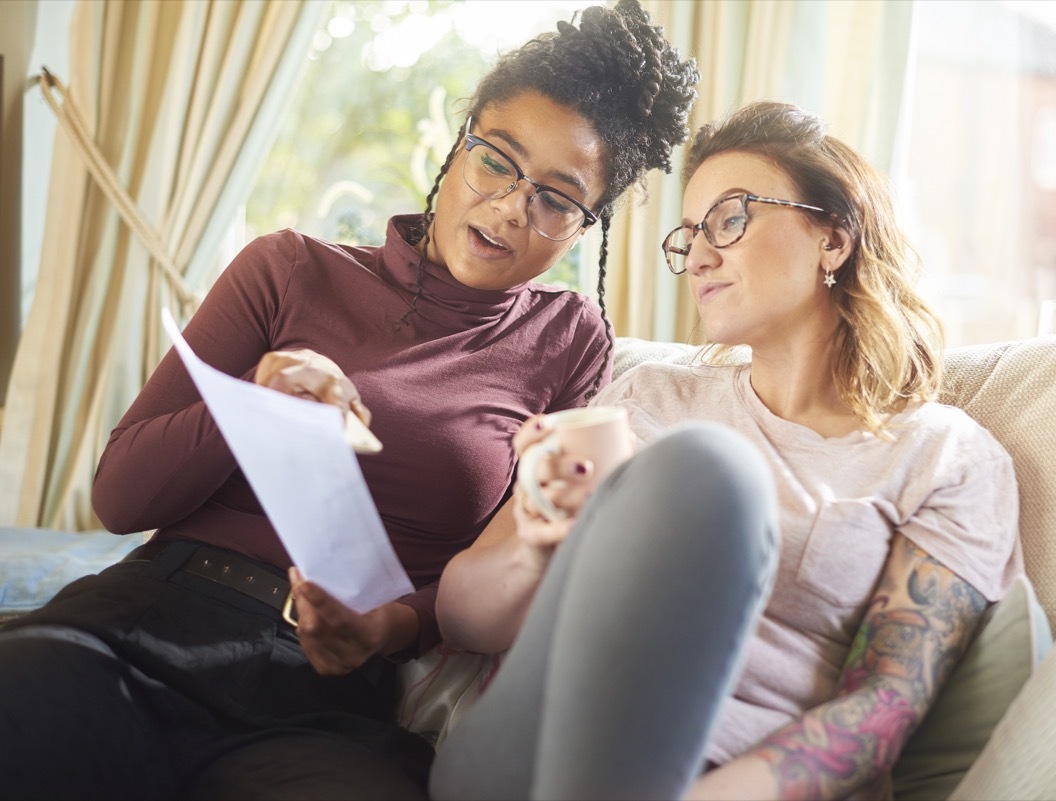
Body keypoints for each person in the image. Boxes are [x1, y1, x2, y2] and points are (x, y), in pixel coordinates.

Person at [0, 3, 699, 798]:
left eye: (557, 198)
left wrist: (387, 627)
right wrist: (254, 406)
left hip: (327, 689)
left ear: (585, 226)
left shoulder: (569, 342)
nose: (512, 206)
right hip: (148, 623)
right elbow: (120, 497)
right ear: (460, 141)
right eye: (497, 160)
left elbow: (501, 562)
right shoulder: (287, 268)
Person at [429, 101, 1024, 800]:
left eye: (730, 219)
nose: (701, 255)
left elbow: (882, 709)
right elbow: (461, 620)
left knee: (713, 473)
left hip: (726, 780)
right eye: (690, 235)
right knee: (701, 467)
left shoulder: (947, 458)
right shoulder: (648, 397)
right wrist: (539, 538)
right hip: (531, 743)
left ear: (834, 238)